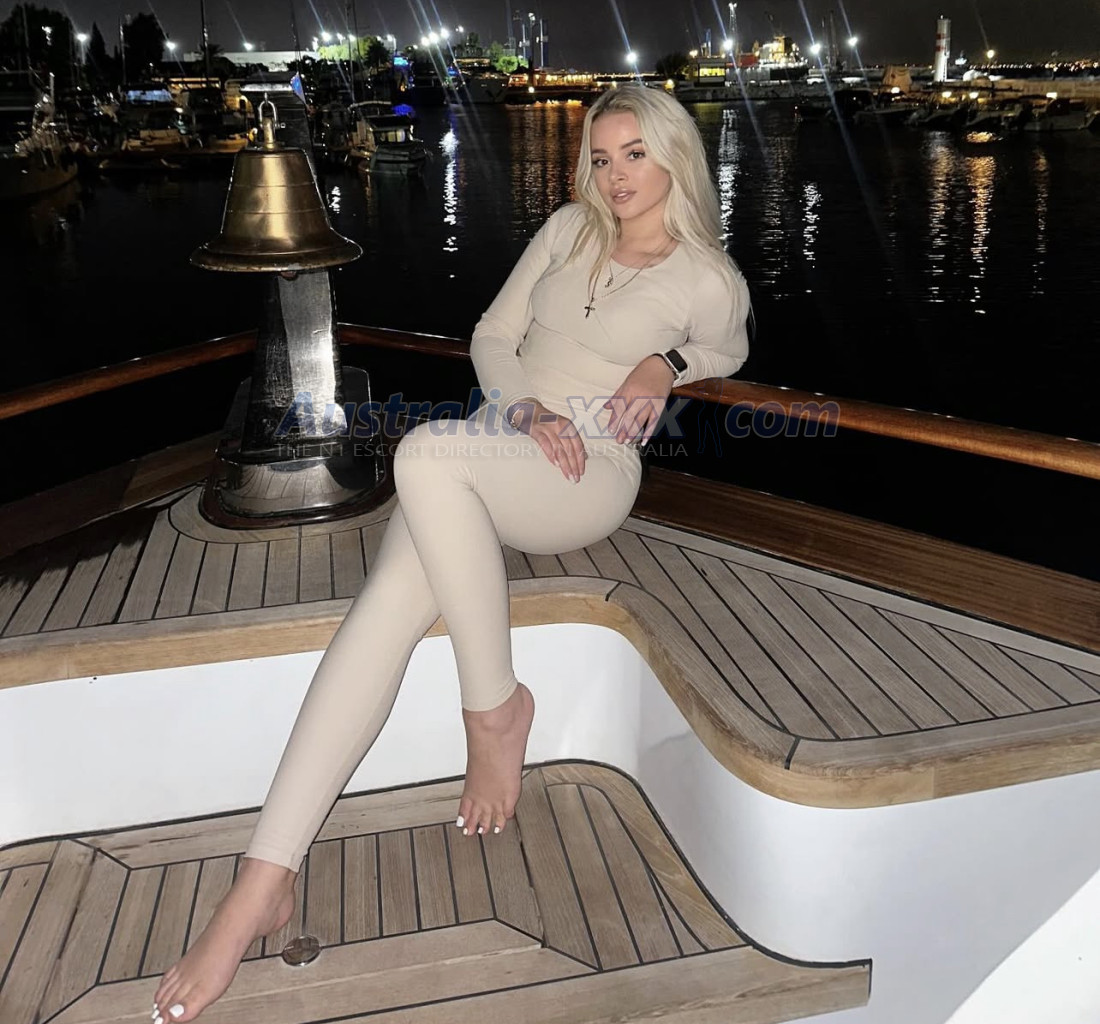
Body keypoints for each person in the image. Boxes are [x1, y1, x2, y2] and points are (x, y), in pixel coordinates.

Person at [151, 82, 751, 1023]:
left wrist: (664, 364)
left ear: (674, 155)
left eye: (635, 154)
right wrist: (525, 407)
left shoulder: (704, 274)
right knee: (383, 609)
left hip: (585, 474)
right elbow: (493, 335)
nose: (615, 175)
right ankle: (262, 881)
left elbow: (729, 348)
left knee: (426, 452)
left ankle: (494, 713)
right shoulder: (568, 230)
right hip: (500, 443)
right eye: (601, 157)